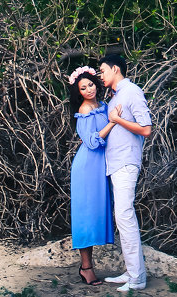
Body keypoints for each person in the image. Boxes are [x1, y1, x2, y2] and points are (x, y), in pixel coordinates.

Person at [99, 52, 153, 292]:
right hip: (116, 163)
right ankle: (133, 272)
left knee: (125, 216)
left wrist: (117, 121)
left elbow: (146, 129)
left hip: (126, 163)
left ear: (115, 70)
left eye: (103, 71)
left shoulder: (132, 92)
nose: (101, 76)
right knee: (122, 218)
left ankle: (138, 279)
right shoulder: (116, 96)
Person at [67, 65, 116, 286]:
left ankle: (88, 266)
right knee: (86, 216)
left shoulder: (103, 105)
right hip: (87, 167)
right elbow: (91, 141)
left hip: (100, 167)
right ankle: (86, 268)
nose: (89, 90)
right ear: (78, 92)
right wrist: (113, 122)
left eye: (91, 85)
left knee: (96, 215)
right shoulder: (85, 110)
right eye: (83, 88)